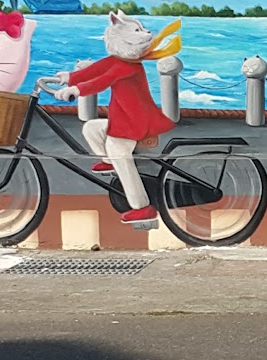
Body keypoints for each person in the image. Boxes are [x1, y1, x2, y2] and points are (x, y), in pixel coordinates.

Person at [55, 11, 181, 225]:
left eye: (142, 29)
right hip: (124, 120)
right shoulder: (117, 60)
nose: (146, 33)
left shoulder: (126, 67)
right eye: (138, 30)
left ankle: (142, 207)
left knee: (118, 152)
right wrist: (69, 78)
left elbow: (102, 81)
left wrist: (76, 90)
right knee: (92, 128)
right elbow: (95, 70)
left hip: (133, 124)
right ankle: (108, 162)